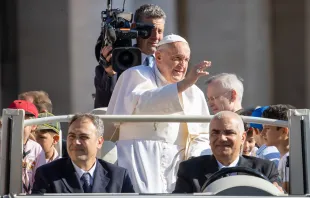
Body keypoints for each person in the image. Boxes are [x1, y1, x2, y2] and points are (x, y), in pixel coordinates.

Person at [106, 34, 211, 193]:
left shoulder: (195, 93)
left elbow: (202, 134)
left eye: (186, 60)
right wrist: (184, 84)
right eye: (177, 58)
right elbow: (144, 103)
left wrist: (194, 160)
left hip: (178, 162)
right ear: (159, 56)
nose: (182, 65)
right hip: (140, 155)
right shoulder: (137, 74)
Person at [173, 111, 281, 193]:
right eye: (215, 133)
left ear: (243, 138)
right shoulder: (190, 170)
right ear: (209, 138)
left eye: (229, 132)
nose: (222, 138)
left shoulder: (264, 170)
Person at [32, 113, 135, 193]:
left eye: (83, 137)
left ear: (99, 142)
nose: (75, 142)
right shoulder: (47, 175)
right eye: (71, 136)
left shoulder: (118, 177)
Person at [94, 4, 166, 108]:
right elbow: (103, 106)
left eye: (160, 31)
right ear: (134, 28)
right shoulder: (115, 61)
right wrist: (110, 74)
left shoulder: (169, 62)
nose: (155, 37)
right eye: (149, 31)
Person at [8, 100, 46, 194]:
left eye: (23, 121)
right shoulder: (2, 146)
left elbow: (40, 178)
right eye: (13, 120)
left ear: (33, 126)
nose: (17, 126)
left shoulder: (37, 149)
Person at [19, 90, 69, 158]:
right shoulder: (8, 144)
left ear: (44, 113)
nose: (20, 117)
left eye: (27, 114)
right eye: (18, 111)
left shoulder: (69, 153)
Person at [262, 104, 294, 193]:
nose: (262, 133)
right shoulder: (285, 157)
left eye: (267, 128)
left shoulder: (288, 159)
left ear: (284, 131)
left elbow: (286, 192)